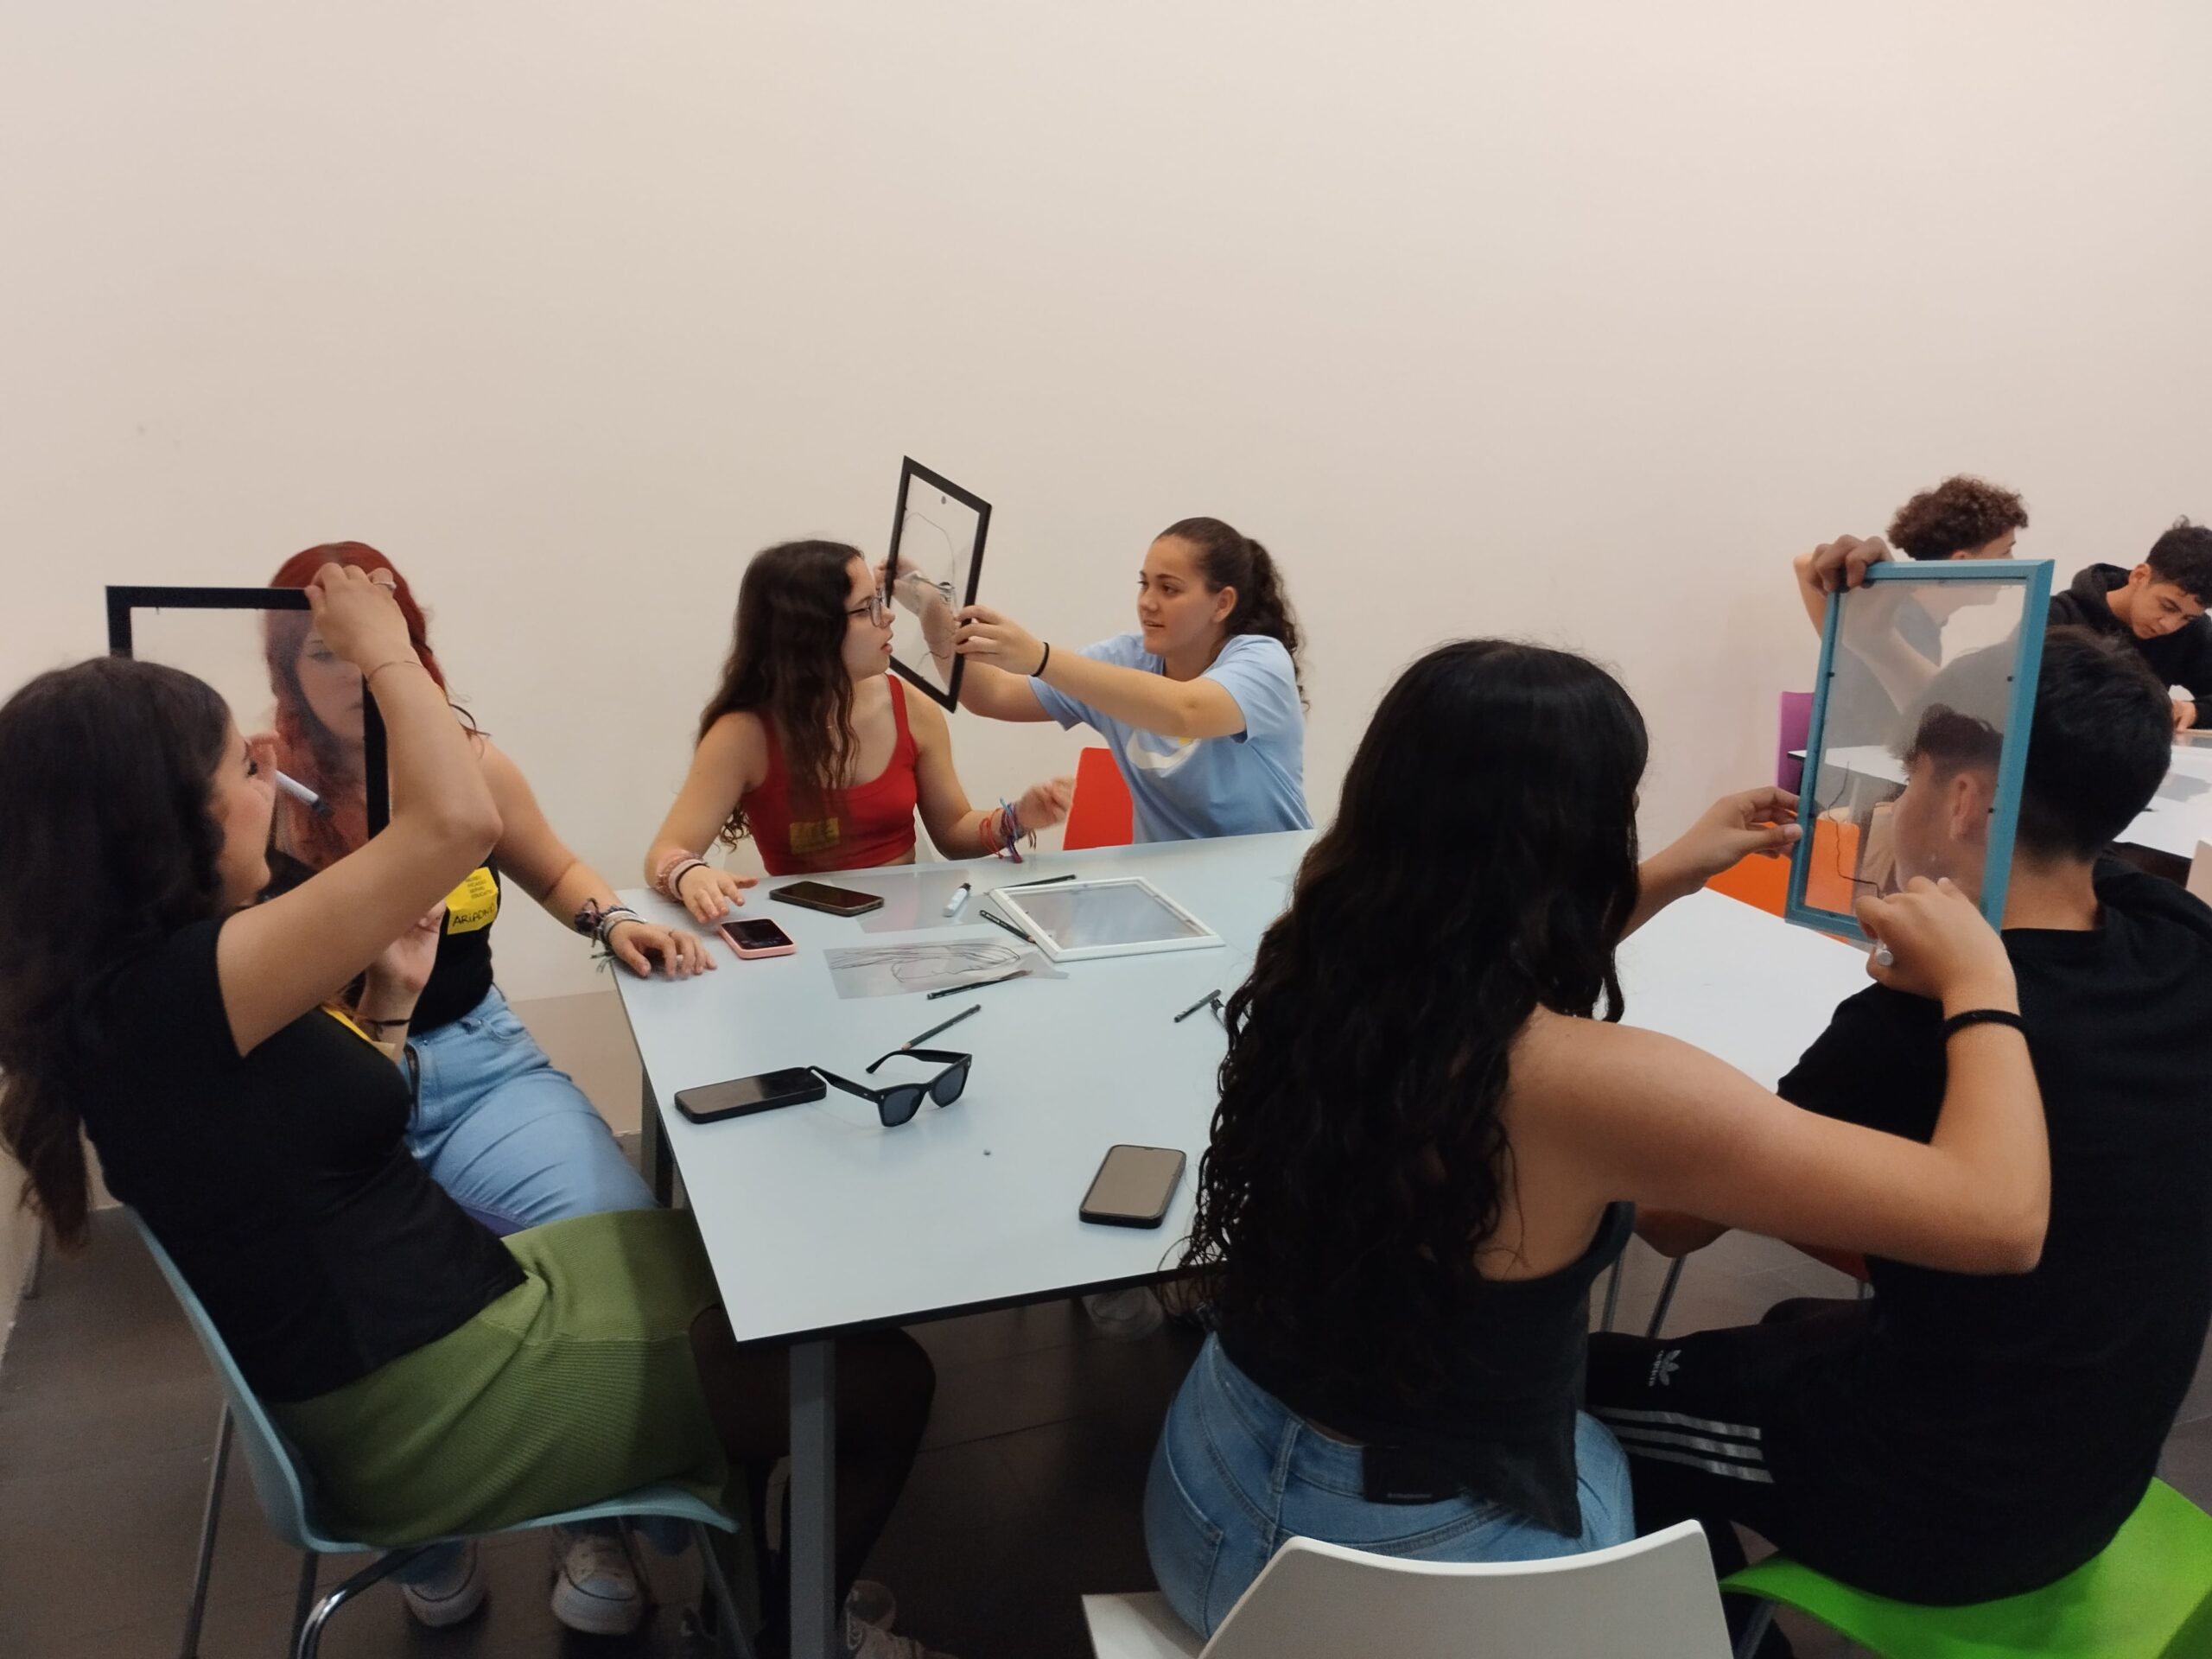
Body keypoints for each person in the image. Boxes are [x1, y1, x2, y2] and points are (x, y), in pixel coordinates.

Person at [0, 567, 954, 1659]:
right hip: (428, 1402)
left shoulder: (135, 984)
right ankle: (796, 1631)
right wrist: (386, 647)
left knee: (751, 1272)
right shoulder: (184, 988)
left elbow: (313, 1148)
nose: (265, 765)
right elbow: (456, 822)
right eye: (240, 766)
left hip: (423, 1324)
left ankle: (742, 1591)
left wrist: (390, 1004)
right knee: (886, 1377)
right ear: (159, 823)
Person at [1143, 639, 2050, 1642]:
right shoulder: (1599, 1087)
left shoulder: (1327, 963)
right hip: (1381, 1577)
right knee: (1637, 1488)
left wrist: (1676, 871)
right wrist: (1981, 984)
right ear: (1576, 838)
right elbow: (1999, 1220)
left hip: (1207, 1481)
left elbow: (1481, 963)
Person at [1588, 627, 2211, 1633]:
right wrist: (1876, 637)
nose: (1895, 803)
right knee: (1788, 1327)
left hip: (1946, 1507)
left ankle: (1704, 1635)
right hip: (2103, 1467)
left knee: (1583, 1391)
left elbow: (1672, 1222)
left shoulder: (1914, 1027)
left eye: (1909, 776)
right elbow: (2030, 764)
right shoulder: (2176, 939)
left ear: (1961, 799)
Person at [264, 542, 711, 1631]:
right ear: (285, 667)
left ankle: (597, 1513)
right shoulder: (261, 786)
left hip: (476, 1064)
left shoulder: (464, 759)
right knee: (370, 1305)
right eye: (323, 653)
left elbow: (551, 865)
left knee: (615, 1230)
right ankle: (427, 1535)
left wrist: (614, 920)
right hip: (319, 1085)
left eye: (377, 643)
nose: (353, 671)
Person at [648, 540, 1072, 923]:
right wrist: (689, 874)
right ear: (812, 632)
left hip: (906, 938)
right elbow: (666, 854)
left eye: (880, 600)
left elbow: (953, 832)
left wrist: (1018, 818)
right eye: (866, 608)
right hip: (806, 934)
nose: (888, 615)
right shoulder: (744, 734)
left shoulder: (911, 707)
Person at [935, 516, 1309, 843]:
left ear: (1222, 603)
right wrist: (932, 612)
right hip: (1165, 890)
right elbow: (992, 695)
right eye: (1144, 584)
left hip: (1270, 884)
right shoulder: (1124, 659)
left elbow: (1187, 711)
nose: (1147, 602)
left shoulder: (1262, 662)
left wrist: (1040, 657)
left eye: (1169, 588)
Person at [1804, 518, 2212, 730]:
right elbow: (1972, 711)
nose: (2170, 625)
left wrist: (2193, 710)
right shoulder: (2056, 618)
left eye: (2187, 618)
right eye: (2006, 552)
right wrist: (1875, 640)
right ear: (2140, 576)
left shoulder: (1913, 623)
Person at [1790, 474, 2029, 634]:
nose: (2012, 562)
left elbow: (1803, 562)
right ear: (1962, 561)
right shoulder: (1909, 628)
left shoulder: (1917, 618)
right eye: (2005, 551)